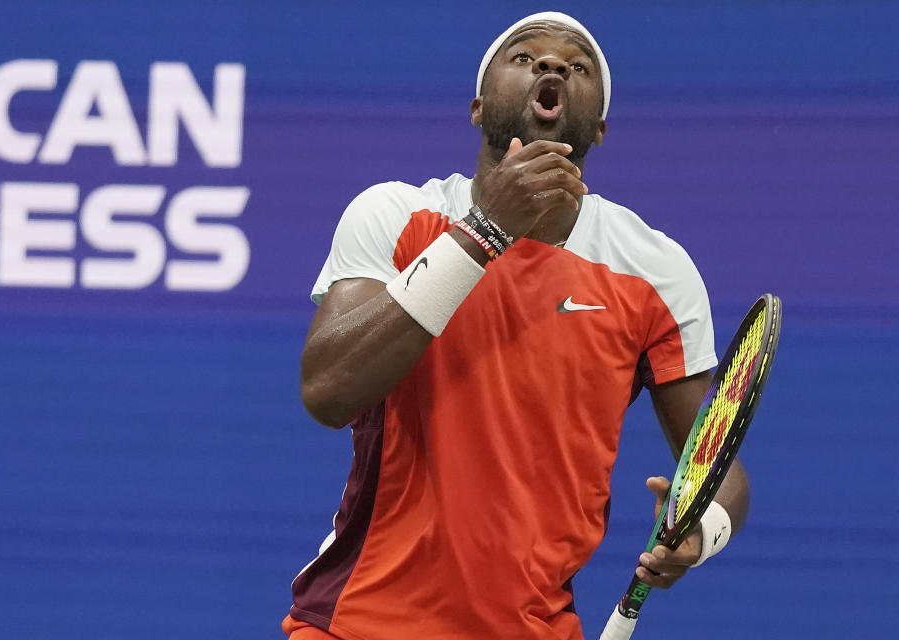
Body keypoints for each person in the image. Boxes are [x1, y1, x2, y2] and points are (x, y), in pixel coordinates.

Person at [282, 11, 749, 640]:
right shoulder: (396, 215)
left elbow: (721, 468)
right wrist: (482, 232)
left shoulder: (654, 272)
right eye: (525, 57)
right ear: (479, 107)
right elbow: (328, 390)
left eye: (577, 64)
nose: (552, 66)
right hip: (360, 620)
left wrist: (701, 530)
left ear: (601, 128)